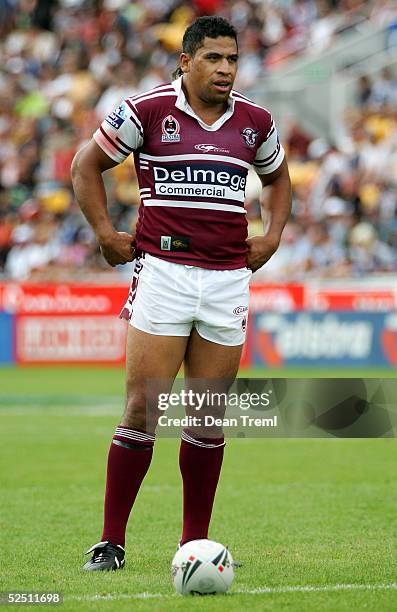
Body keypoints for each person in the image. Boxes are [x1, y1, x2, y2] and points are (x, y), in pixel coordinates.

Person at [71, 15, 291, 571]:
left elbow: (280, 178)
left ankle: (193, 544)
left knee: (205, 415)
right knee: (143, 407)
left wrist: (271, 236)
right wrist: (103, 233)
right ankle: (110, 542)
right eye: (214, 58)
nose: (225, 69)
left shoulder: (255, 122)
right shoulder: (145, 111)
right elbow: (85, 165)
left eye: (232, 59)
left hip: (226, 280)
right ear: (186, 60)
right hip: (164, 272)